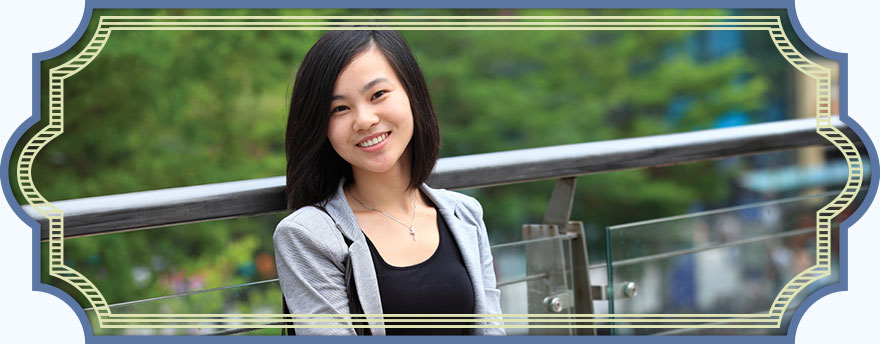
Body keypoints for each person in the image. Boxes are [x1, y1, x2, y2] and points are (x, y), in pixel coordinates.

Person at [273, 30, 504, 336]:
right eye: (340, 108)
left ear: (412, 93)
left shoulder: (465, 214)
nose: (364, 119)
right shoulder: (307, 236)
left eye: (378, 95)